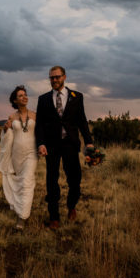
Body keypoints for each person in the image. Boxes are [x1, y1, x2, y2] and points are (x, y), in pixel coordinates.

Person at [35, 66, 93, 229]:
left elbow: (82, 121)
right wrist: (41, 143)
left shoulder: (77, 97)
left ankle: (71, 206)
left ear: (64, 77)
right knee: (51, 181)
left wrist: (89, 141)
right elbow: (39, 125)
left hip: (70, 143)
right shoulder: (43, 99)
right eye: (51, 78)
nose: (54, 80)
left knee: (75, 180)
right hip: (51, 146)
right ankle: (54, 217)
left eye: (57, 77)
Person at [0, 85, 38, 230]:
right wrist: (5, 129)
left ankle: (22, 217)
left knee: (27, 182)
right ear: (15, 100)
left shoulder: (34, 115)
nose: (24, 97)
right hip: (17, 154)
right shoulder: (12, 117)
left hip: (31, 153)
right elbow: (7, 137)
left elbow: (41, 134)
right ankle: (21, 208)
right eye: (20, 95)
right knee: (21, 183)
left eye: (25, 94)